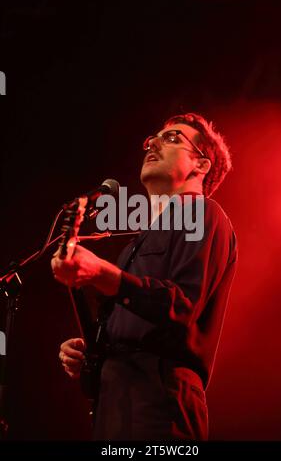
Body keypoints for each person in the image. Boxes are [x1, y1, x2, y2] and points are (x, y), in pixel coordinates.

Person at [51, 112, 238, 441]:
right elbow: (132, 315)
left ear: (202, 165)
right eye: (152, 138)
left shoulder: (205, 214)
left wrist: (104, 273)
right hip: (116, 404)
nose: (152, 142)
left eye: (172, 138)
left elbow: (180, 306)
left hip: (160, 402)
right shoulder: (136, 244)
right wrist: (89, 351)